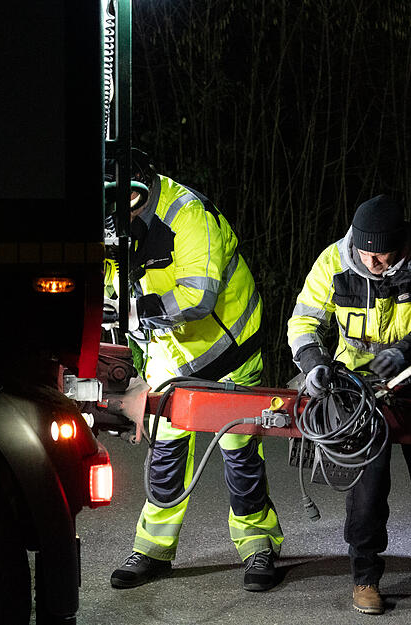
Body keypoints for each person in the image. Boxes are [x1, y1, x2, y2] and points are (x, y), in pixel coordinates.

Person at [106, 149, 284, 591]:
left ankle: (259, 546)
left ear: (147, 184)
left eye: (131, 197)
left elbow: (198, 298)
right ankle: (152, 550)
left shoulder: (188, 213)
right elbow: (111, 291)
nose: (123, 208)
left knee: (240, 455)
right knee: (165, 459)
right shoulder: (112, 222)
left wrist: (131, 311)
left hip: (229, 354)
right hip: (171, 360)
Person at [287, 194, 411, 614]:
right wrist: (314, 363)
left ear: (403, 245)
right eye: (367, 255)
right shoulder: (333, 261)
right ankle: (365, 579)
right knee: (367, 490)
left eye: (383, 256)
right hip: (358, 387)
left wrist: (409, 348)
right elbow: (302, 322)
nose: (374, 264)